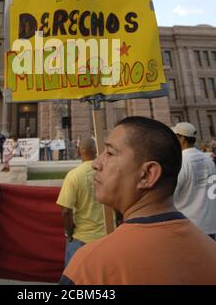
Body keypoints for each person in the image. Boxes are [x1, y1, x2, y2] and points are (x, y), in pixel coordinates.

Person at [60, 116, 216, 285]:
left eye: (110, 153)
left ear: (148, 174)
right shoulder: (210, 250)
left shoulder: (89, 266)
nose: (96, 164)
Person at [57, 137, 105, 267]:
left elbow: (66, 211)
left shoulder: (73, 176)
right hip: (107, 236)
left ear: (78, 152)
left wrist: (69, 233)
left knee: (74, 278)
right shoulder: (106, 172)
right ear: (96, 151)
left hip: (82, 238)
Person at [172, 122, 216, 239]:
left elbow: (171, 195)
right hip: (210, 224)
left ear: (181, 139)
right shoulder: (208, 160)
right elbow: (213, 192)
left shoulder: (180, 162)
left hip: (189, 226)